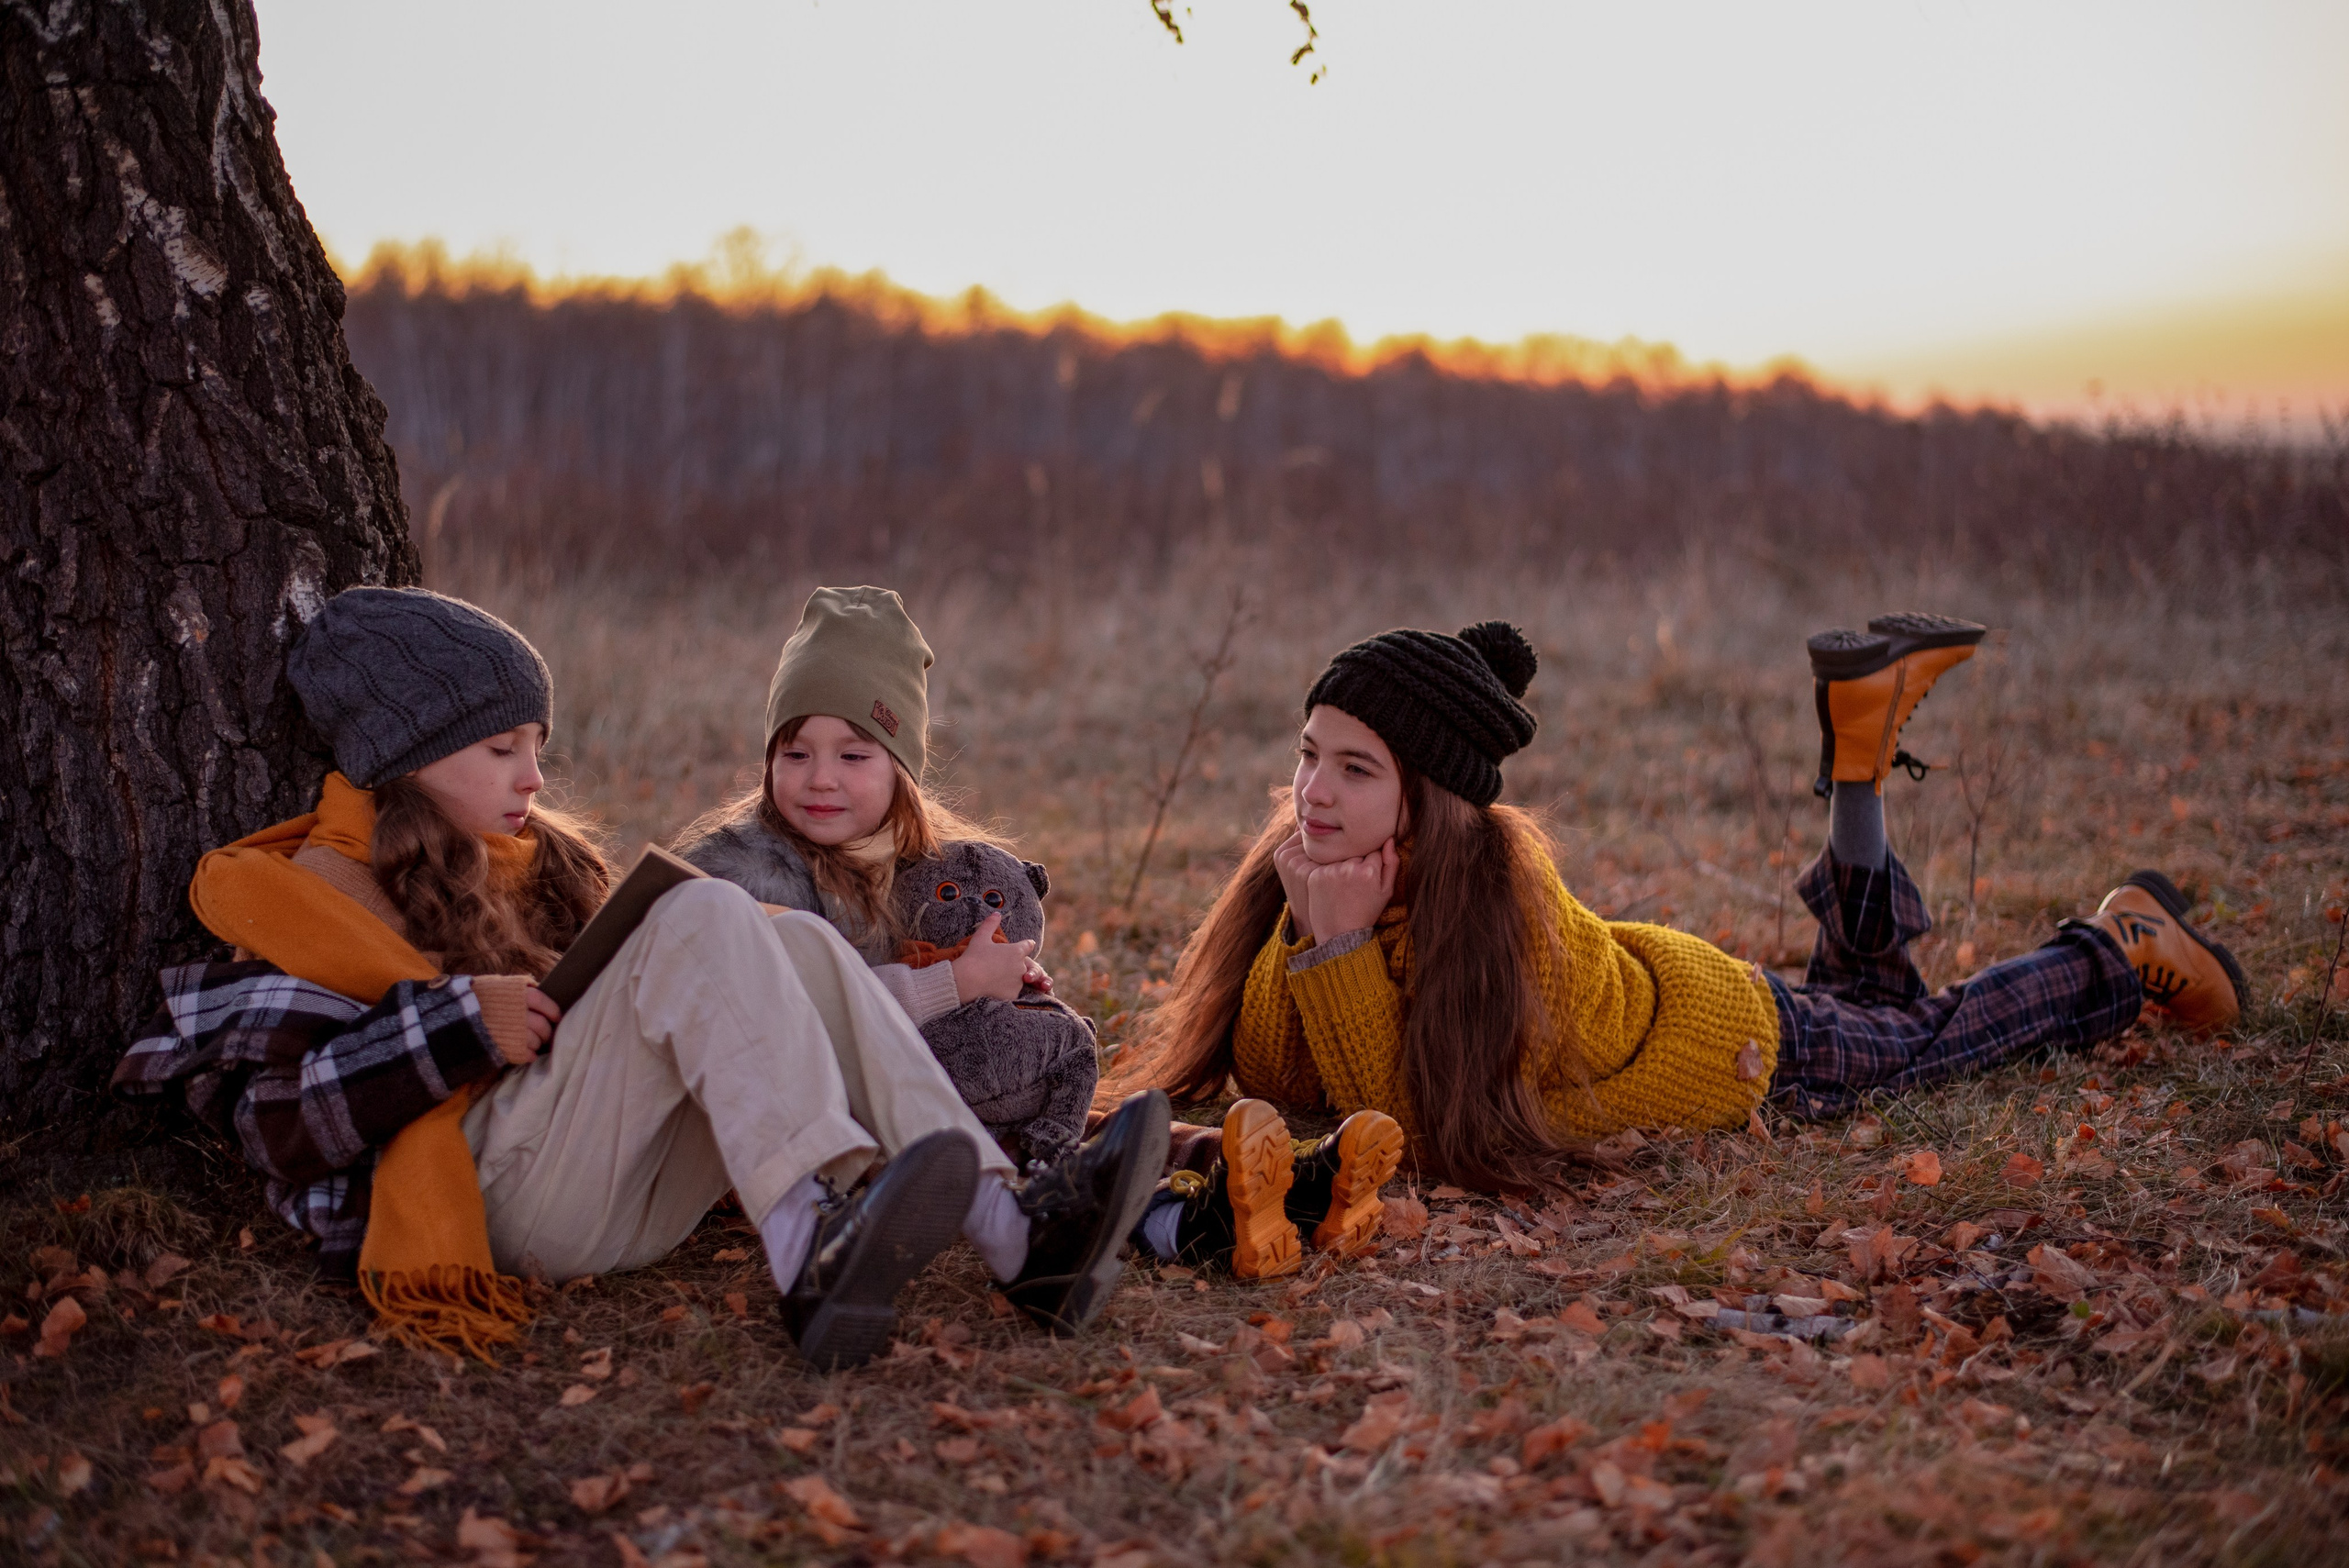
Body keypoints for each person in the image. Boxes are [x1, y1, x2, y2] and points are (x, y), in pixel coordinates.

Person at [114, 586, 1165, 1370]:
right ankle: (809, 1245)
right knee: (708, 911)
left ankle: (1010, 1231)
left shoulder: (542, 860)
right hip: (496, 1193)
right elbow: (281, 1123)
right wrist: (456, 1022)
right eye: (500, 748)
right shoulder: (316, 889)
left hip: (612, 1180)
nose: (534, 775)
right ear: (408, 753)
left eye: (536, 744)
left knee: (792, 944)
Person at [1124, 613, 2243, 1270]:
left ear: (1432, 800)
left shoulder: (1502, 917)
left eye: (1354, 768)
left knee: (1931, 1038)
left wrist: (1332, 950)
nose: (1311, 791)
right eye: (1307, 752)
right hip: (1683, 989)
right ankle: (1858, 770)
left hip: (1737, 1044)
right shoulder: (1322, 872)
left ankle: (2115, 945)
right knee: (1877, 994)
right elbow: (1278, 1069)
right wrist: (1315, 929)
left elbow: (1396, 1133)